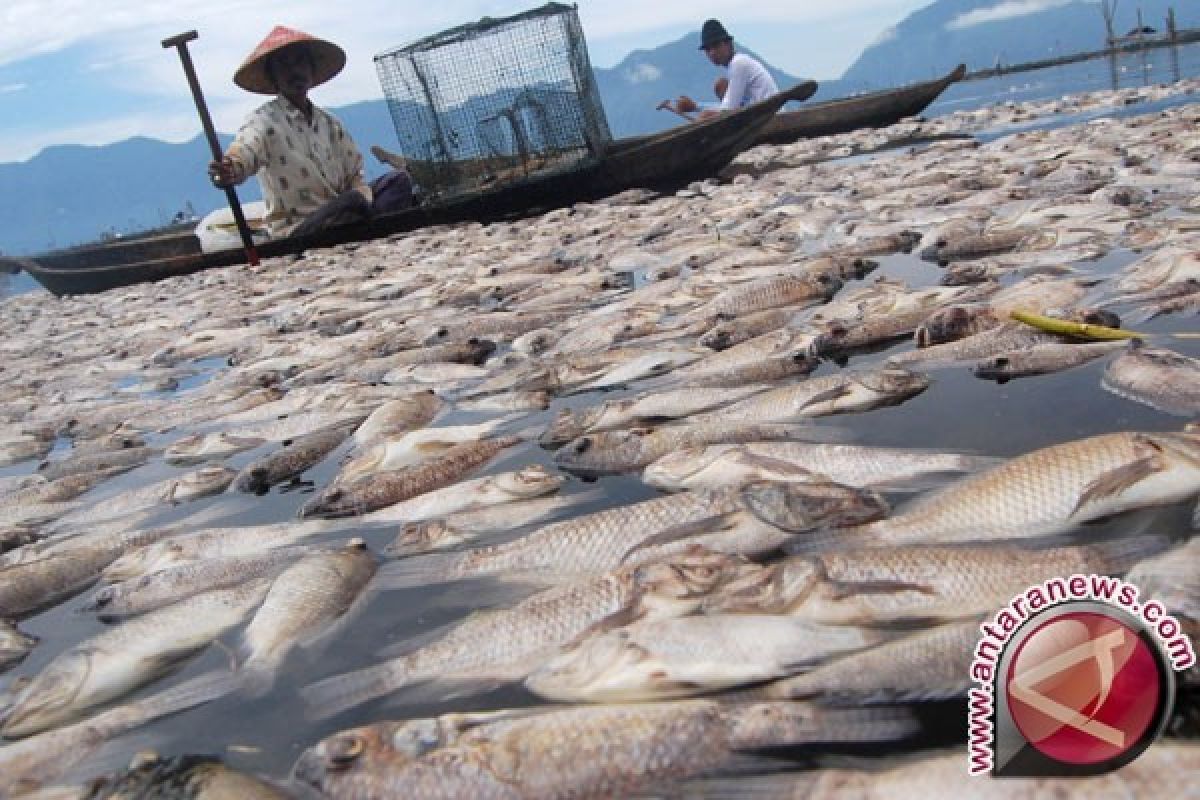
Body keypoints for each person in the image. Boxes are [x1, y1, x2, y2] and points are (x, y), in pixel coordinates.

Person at [208, 26, 414, 239]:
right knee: (352, 203)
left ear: (311, 69)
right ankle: (368, 225)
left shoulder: (329, 123)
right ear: (273, 76)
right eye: (284, 65)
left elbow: (354, 174)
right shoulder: (263, 121)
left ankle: (367, 225)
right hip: (300, 227)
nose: (294, 71)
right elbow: (245, 151)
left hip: (342, 213)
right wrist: (229, 168)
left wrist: (364, 198)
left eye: (300, 62)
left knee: (398, 181)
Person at [683, 19, 779, 121]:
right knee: (720, 85)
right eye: (708, 49)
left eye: (716, 46)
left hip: (771, 116)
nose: (712, 53)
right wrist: (695, 107)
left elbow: (728, 109)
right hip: (759, 113)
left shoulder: (739, 63)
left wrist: (699, 112)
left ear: (728, 44)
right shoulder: (735, 65)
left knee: (705, 116)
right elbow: (729, 106)